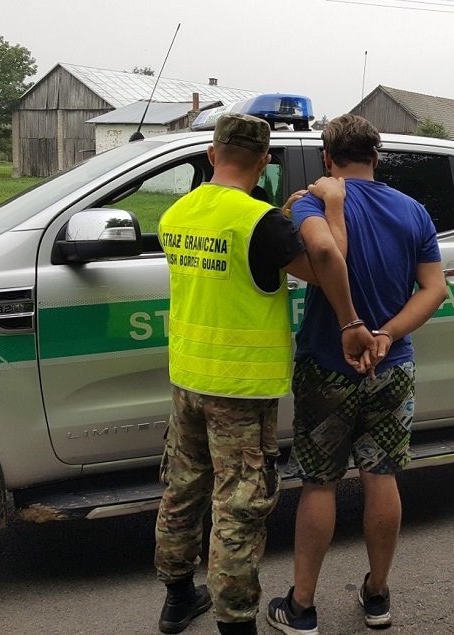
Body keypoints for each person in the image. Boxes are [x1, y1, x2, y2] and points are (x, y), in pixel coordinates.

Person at [154, 112, 374, 635]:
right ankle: (235, 623)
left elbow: (229, 265)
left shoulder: (177, 213)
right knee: (238, 509)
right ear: (265, 162)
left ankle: (177, 597)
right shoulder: (261, 222)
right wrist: (332, 209)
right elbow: (329, 264)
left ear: (212, 154)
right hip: (240, 389)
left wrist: (282, 218)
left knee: (182, 489)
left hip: (188, 378)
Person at [266, 114, 447, 633]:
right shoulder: (413, 211)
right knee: (381, 477)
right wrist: (386, 335)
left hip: (328, 363)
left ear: (328, 158)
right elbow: (435, 289)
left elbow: (324, 252)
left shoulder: (313, 202)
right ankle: (377, 595)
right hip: (392, 365)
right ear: (377, 156)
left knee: (320, 484)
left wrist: (353, 325)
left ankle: (302, 607)